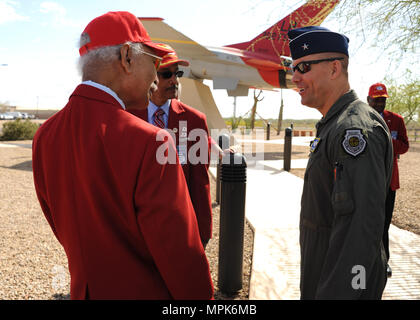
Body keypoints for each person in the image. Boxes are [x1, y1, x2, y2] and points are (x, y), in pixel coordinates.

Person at [32, 11, 213, 300]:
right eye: (154, 63)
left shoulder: (45, 135)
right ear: (128, 57)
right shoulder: (151, 141)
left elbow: (62, 227)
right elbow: (181, 257)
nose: (155, 77)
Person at [288, 26, 393, 299]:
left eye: (304, 67)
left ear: (334, 69)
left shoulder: (353, 130)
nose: (294, 77)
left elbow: (360, 231)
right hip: (323, 272)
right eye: (293, 67)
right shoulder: (334, 123)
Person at [127, 44, 213, 248]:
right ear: (150, 76)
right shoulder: (127, 117)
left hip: (179, 228)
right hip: (137, 230)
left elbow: (200, 181)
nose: (174, 80)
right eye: (166, 74)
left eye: (177, 74)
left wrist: (202, 232)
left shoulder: (195, 121)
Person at [367, 82, 409, 277]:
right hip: (365, 182)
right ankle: (364, 261)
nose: (379, 104)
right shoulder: (360, 119)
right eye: (376, 100)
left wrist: (384, 140)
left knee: (383, 224)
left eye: (382, 100)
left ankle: (383, 262)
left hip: (388, 182)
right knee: (365, 222)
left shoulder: (397, 120)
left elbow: (404, 146)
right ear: (368, 100)